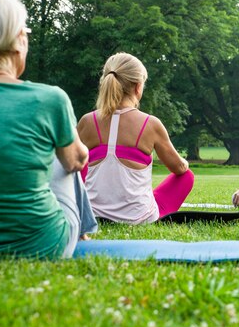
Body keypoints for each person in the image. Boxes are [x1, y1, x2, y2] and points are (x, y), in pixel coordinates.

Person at [0, 0, 97, 259]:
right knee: (65, 156)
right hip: (41, 245)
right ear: (19, 39)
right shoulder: (50, 100)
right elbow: (76, 162)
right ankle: (84, 234)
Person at [77, 53, 194, 224]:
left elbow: (68, 168)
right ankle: (139, 204)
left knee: (78, 163)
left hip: (91, 215)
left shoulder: (87, 121)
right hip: (139, 218)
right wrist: (185, 163)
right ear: (138, 87)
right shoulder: (151, 124)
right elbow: (179, 169)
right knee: (187, 176)